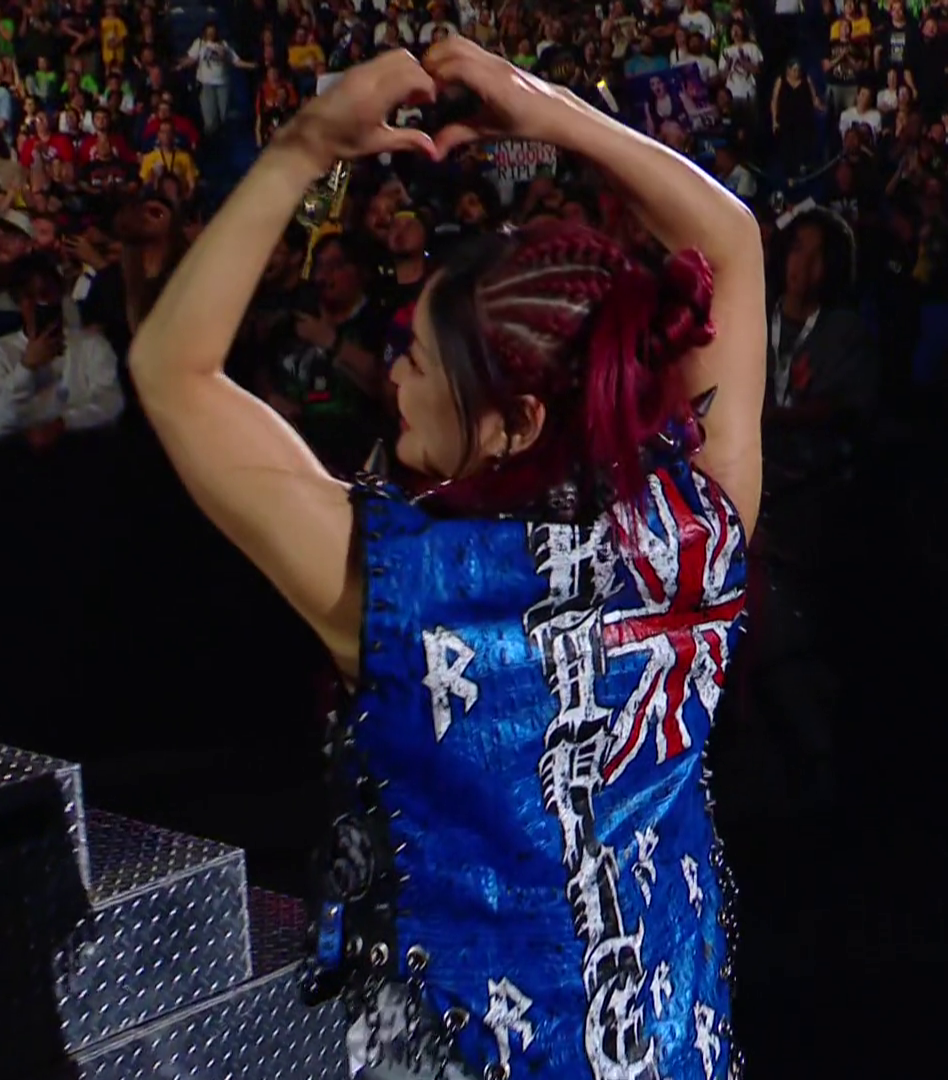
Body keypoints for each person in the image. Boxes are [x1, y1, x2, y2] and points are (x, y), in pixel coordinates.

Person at [127, 39, 763, 1080]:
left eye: (419, 358)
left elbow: (170, 369)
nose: (394, 376)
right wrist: (552, 111)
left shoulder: (394, 591)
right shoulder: (702, 523)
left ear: (515, 422)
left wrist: (304, 146)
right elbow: (730, 242)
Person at [0, 255, 125, 447]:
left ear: (60, 295)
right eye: (30, 296)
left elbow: (111, 402)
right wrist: (26, 368)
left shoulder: (91, 344)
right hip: (21, 450)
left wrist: (62, 423)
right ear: (18, 301)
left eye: (46, 294)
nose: (40, 303)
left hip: (82, 444)